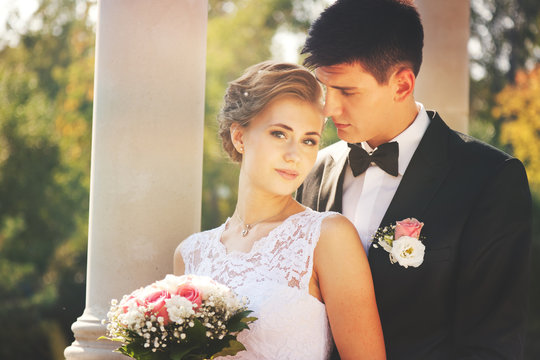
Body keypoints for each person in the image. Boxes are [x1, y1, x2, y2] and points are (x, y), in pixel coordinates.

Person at [297, 0, 532, 359]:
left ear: (402, 85)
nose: (329, 109)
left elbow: (493, 344)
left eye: (347, 91)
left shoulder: (489, 179)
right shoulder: (313, 171)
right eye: (325, 88)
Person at [174, 61, 386, 360]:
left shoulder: (327, 236)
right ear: (239, 137)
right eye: (279, 134)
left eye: (308, 140)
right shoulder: (190, 253)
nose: (294, 155)